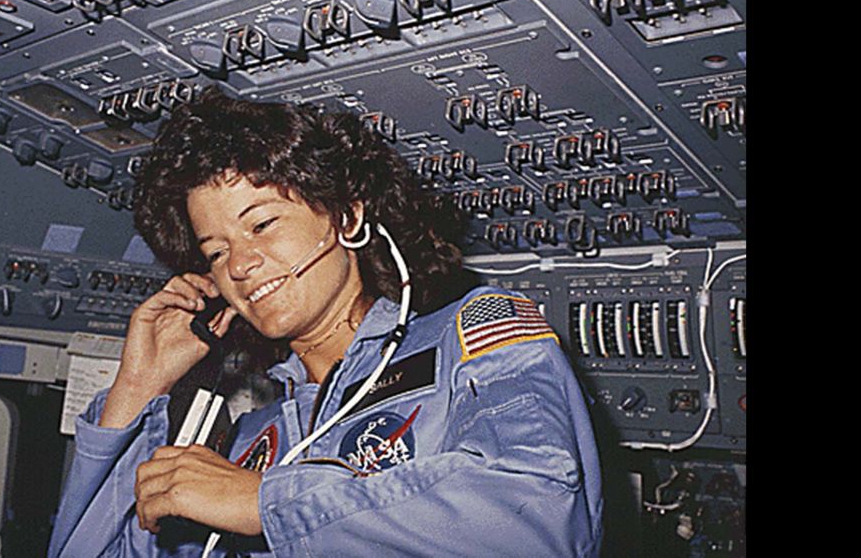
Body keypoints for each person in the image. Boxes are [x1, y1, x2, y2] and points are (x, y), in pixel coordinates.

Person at [49, 87, 603, 557]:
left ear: (348, 217)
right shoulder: (248, 442)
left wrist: (263, 503)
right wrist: (136, 390)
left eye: (262, 224)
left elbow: (538, 516)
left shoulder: (474, 334)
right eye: (216, 252)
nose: (239, 265)